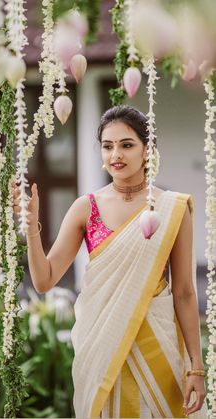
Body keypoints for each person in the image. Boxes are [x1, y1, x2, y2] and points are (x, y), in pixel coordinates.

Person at [12, 105, 208, 418]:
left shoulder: (172, 208)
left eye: (127, 145)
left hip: (157, 343)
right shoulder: (85, 208)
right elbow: (44, 279)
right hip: (100, 346)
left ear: (147, 150)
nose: (115, 154)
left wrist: (196, 368)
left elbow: (184, 291)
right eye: (107, 146)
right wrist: (32, 224)